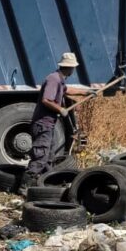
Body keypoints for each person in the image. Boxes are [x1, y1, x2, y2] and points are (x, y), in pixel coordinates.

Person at [20, 52, 88, 193]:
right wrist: (61, 109)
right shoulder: (54, 79)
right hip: (43, 124)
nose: (73, 70)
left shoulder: (60, 80)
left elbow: (67, 90)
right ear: (69, 68)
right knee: (40, 156)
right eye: (73, 67)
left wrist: (86, 92)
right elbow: (46, 99)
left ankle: (45, 185)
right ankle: (24, 186)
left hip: (49, 124)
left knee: (49, 156)